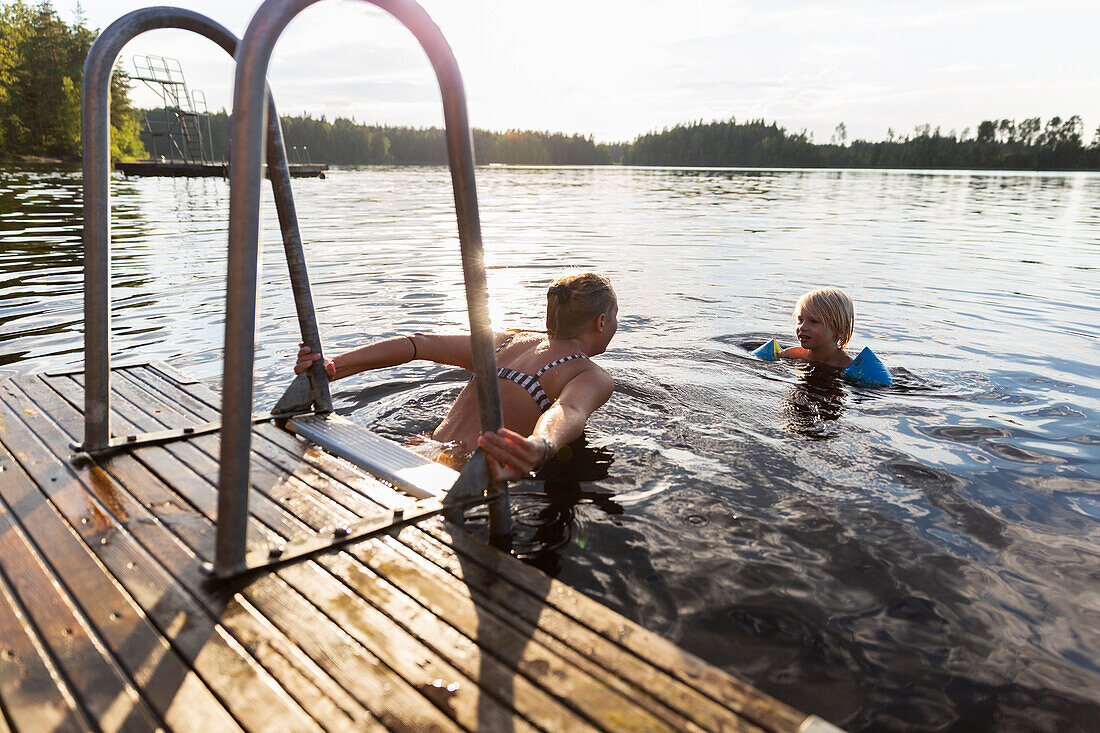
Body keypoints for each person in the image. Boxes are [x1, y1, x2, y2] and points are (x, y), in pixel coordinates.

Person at [294, 271, 618, 481]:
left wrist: (335, 367)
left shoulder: (506, 340)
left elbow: (419, 345)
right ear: (601, 321)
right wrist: (540, 445)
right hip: (464, 477)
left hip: (415, 452)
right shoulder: (590, 374)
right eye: (616, 317)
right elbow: (570, 411)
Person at [779, 287, 855, 369]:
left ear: (841, 330)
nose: (802, 327)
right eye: (800, 320)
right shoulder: (790, 355)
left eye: (814, 321)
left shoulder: (850, 367)